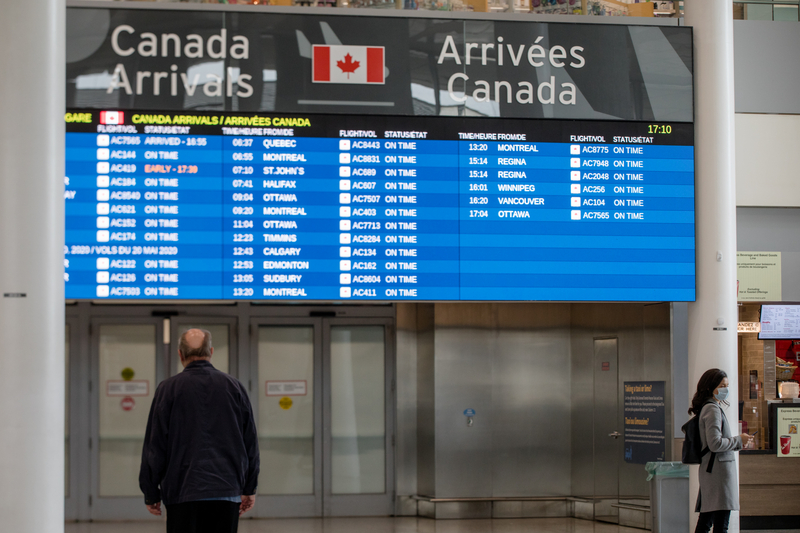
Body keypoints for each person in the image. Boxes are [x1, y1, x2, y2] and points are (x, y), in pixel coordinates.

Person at [139, 328, 260, 533]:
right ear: (211, 351)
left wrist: (151, 492)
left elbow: (155, 444)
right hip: (226, 489)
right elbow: (250, 442)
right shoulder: (234, 387)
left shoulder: (168, 389)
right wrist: (249, 487)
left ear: (180, 354)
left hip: (182, 492)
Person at [690, 368, 753, 533]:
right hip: (718, 473)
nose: (726, 389)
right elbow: (715, 443)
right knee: (719, 524)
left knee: (708, 520)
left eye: (727, 385)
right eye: (722, 385)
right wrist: (739, 440)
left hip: (713, 471)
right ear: (711, 387)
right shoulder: (712, 409)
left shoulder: (710, 407)